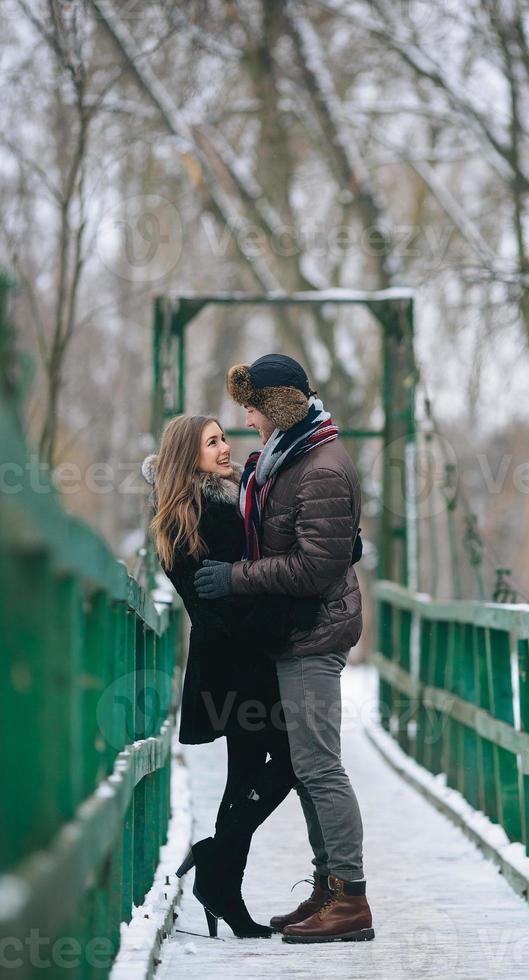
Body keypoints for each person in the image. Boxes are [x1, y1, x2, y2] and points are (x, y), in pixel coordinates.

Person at [193, 354, 374, 944]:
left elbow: (317, 566)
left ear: (280, 406)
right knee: (306, 767)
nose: (246, 415)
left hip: (313, 630)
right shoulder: (286, 456)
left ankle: (350, 897)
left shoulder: (317, 463)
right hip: (294, 629)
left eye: (254, 406)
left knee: (319, 767)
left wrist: (235, 577)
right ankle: (328, 889)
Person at [143, 413, 320, 939]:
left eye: (224, 438)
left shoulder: (227, 502)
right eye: (212, 442)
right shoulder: (187, 517)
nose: (225, 448)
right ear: (186, 456)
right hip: (232, 662)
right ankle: (216, 864)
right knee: (292, 758)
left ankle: (224, 889)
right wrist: (288, 617)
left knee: (244, 774)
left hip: (243, 658)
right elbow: (211, 600)